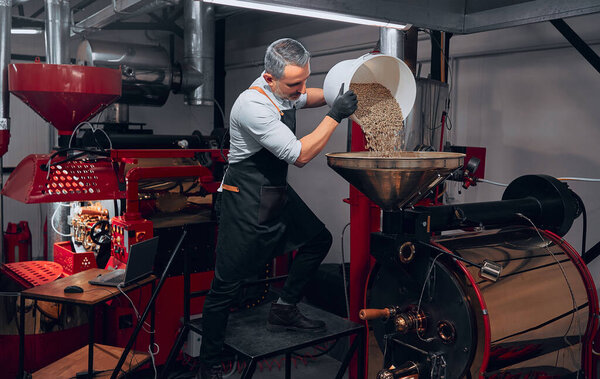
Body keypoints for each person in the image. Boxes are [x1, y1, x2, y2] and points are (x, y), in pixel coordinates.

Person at [198, 38, 357, 379]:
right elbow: (300, 155)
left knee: (318, 240)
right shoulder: (253, 106)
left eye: (305, 80)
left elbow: (308, 97)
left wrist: (334, 96)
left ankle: (284, 308)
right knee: (226, 284)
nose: (302, 90)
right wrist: (336, 115)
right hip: (243, 195)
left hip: (271, 189)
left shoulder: (284, 90)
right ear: (269, 78)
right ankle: (208, 364)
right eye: (295, 84)